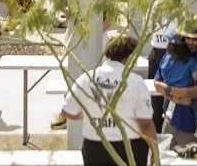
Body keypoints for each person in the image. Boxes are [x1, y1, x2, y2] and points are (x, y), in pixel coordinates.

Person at [61, 32, 157, 166]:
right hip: (130, 146)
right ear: (127, 57)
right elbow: (145, 123)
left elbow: (67, 111)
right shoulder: (136, 82)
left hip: (94, 145)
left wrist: (90, 115)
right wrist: (155, 151)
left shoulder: (87, 78)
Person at [155, 20, 197, 146]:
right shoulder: (174, 51)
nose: (190, 42)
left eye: (195, 39)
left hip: (194, 127)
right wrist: (176, 98)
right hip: (171, 118)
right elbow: (157, 84)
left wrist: (169, 90)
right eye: (187, 38)